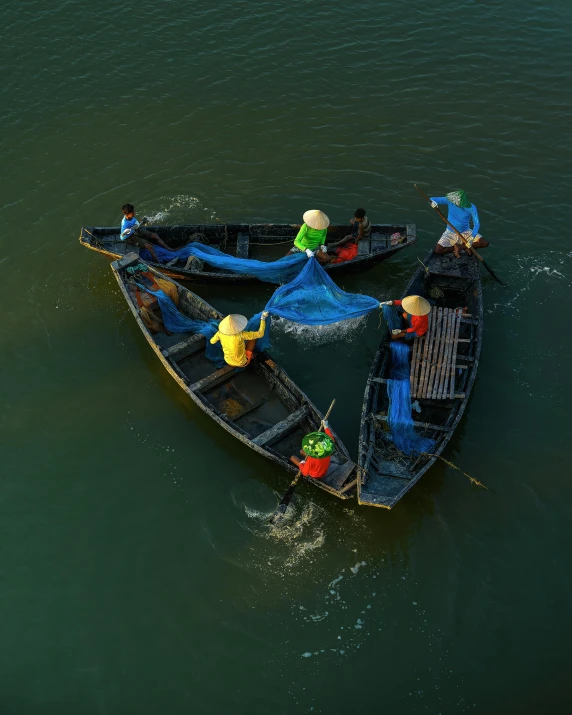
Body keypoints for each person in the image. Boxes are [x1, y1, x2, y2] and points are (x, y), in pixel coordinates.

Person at [429, 190, 489, 258]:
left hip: (466, 231)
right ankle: (460, 248)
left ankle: (461, 247)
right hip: (450, 232)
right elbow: (432, 199)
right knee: (438, 250)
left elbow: (477, 224)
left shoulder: (471, 207)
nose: (457, 204)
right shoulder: (450, 200)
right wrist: (433, 203)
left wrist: (472, 238)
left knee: (484, 243)